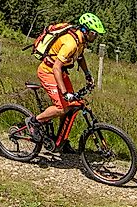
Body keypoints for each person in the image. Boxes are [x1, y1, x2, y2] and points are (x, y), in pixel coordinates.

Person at [27, 12, 104, 146]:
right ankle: (34, 122)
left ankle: (61, 139)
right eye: (94, 33)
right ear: (85, 30)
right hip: (48, 71)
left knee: (72, 105)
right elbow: (56, 67)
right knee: (61, 108)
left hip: (60, 72)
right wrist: (64, 93)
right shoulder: (71, 43)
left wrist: (87, 74)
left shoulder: (81, 41)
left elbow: (79, 57)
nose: (95, 36)